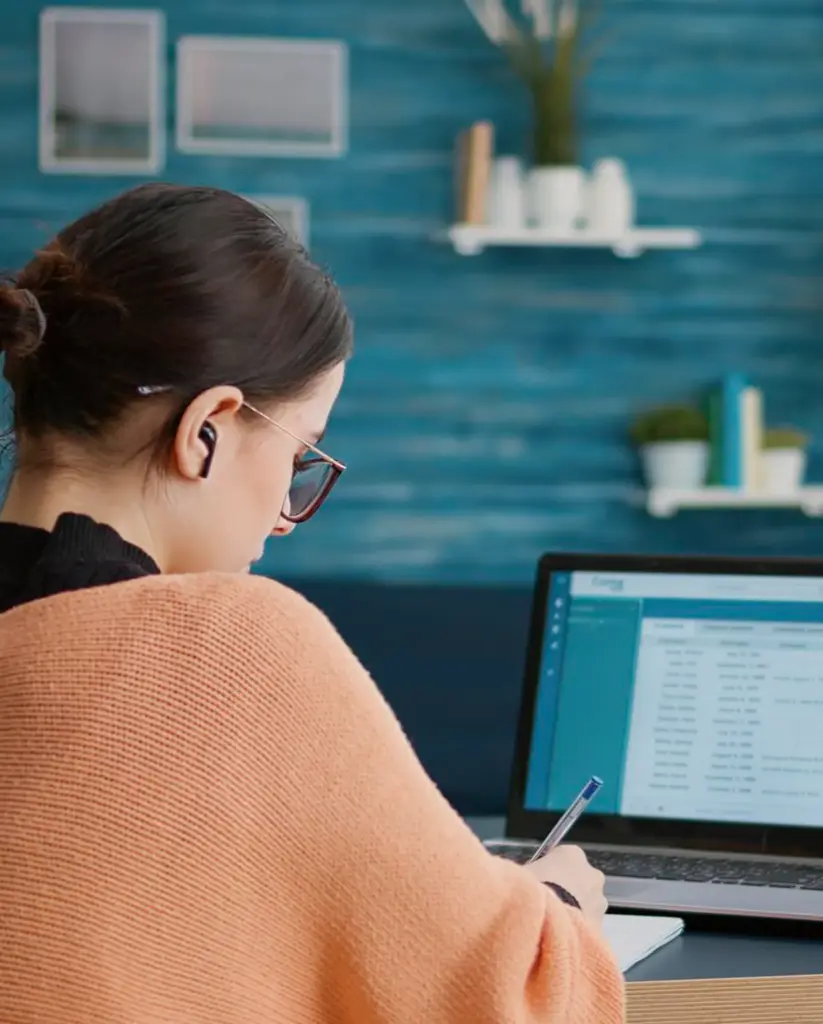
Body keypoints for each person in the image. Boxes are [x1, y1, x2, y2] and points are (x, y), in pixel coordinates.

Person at [0, 184, 623, 1024]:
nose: (282, 520)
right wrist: (560, 907)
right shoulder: (228, 644)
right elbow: (507, 997)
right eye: (298, 460)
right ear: (207, 430)